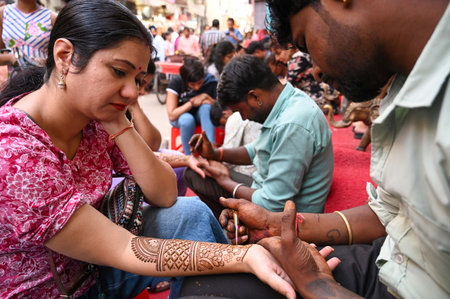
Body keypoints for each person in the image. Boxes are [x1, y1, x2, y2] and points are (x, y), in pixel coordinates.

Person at [0, 1, 297, 298]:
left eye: (137, 79)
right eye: (119, 71)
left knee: (190, 213)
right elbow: (122, 247)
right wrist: (241, 257)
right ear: (66, 56)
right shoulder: (15, 151)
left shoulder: (93, 120)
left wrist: (119, 121)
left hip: (93, 268)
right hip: (58, 290)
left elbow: (165, 193)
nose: (132, 92)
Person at [194, 0, 450, 298]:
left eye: (306, 43)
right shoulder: (405, 83)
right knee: (207, 280)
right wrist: (273, 224)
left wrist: (319, 286)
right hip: (393, 256)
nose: (314, 70)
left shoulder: (294, 121)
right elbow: (389, 213)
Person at [184, 55, 334, 218]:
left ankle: (236, 230)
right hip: (265, 191)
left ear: (255, 97)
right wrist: (216, 154)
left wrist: (225, 182)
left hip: (287, 218)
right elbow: (255, 150)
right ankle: (233, 225)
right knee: (196, 172)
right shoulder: (286, 100)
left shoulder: (292, 124)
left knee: (206, 177)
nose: (243, 118)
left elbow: (273, 204)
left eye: (241, 111)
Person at [166, 59, 218, 155]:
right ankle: (189, 156)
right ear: (185, 81)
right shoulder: (176, 83)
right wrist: (191, 103)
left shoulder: (210, 81)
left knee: (206, 107)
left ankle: (211, 151)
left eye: (200, 83)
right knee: (187, 119)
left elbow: (220, 108)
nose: (197, 87)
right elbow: (172, 115)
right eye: (192, 84)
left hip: (200, 115)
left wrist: (206, 97)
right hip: (180, 117)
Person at [0, 0, 57, 72]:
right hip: (13, 79)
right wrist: (10, 58)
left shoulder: (52, 18)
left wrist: (44, 62)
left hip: (42, 77)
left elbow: (60, 55)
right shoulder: (3, 13)